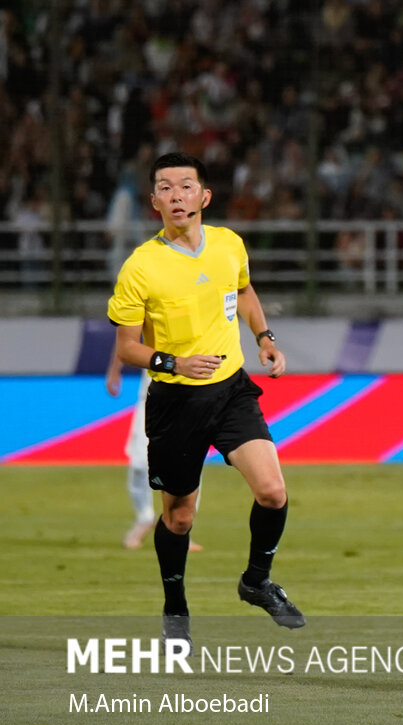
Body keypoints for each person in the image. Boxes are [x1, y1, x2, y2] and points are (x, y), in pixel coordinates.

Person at [106, 151, 303, 645]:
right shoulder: (141, 267)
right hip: (175, 401)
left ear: (204, 196)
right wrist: (175, 363)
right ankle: (175, 608)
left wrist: (264, 337)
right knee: (179, 517)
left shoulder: (228, 245)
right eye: (165, 188)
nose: (176, 195)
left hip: (232, 391)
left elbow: (245, 291)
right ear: (154, 201)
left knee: (274, 492)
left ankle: (256, 581)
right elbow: (128, 346)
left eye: (186, 186)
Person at [105, 343, 202, 552]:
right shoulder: (152, 311)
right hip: (152, 397)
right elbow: (126, 337)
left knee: (188, 464)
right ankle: (144, 517)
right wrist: (114, 371)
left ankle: (183, 527)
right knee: (140, 463)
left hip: (191, 397)